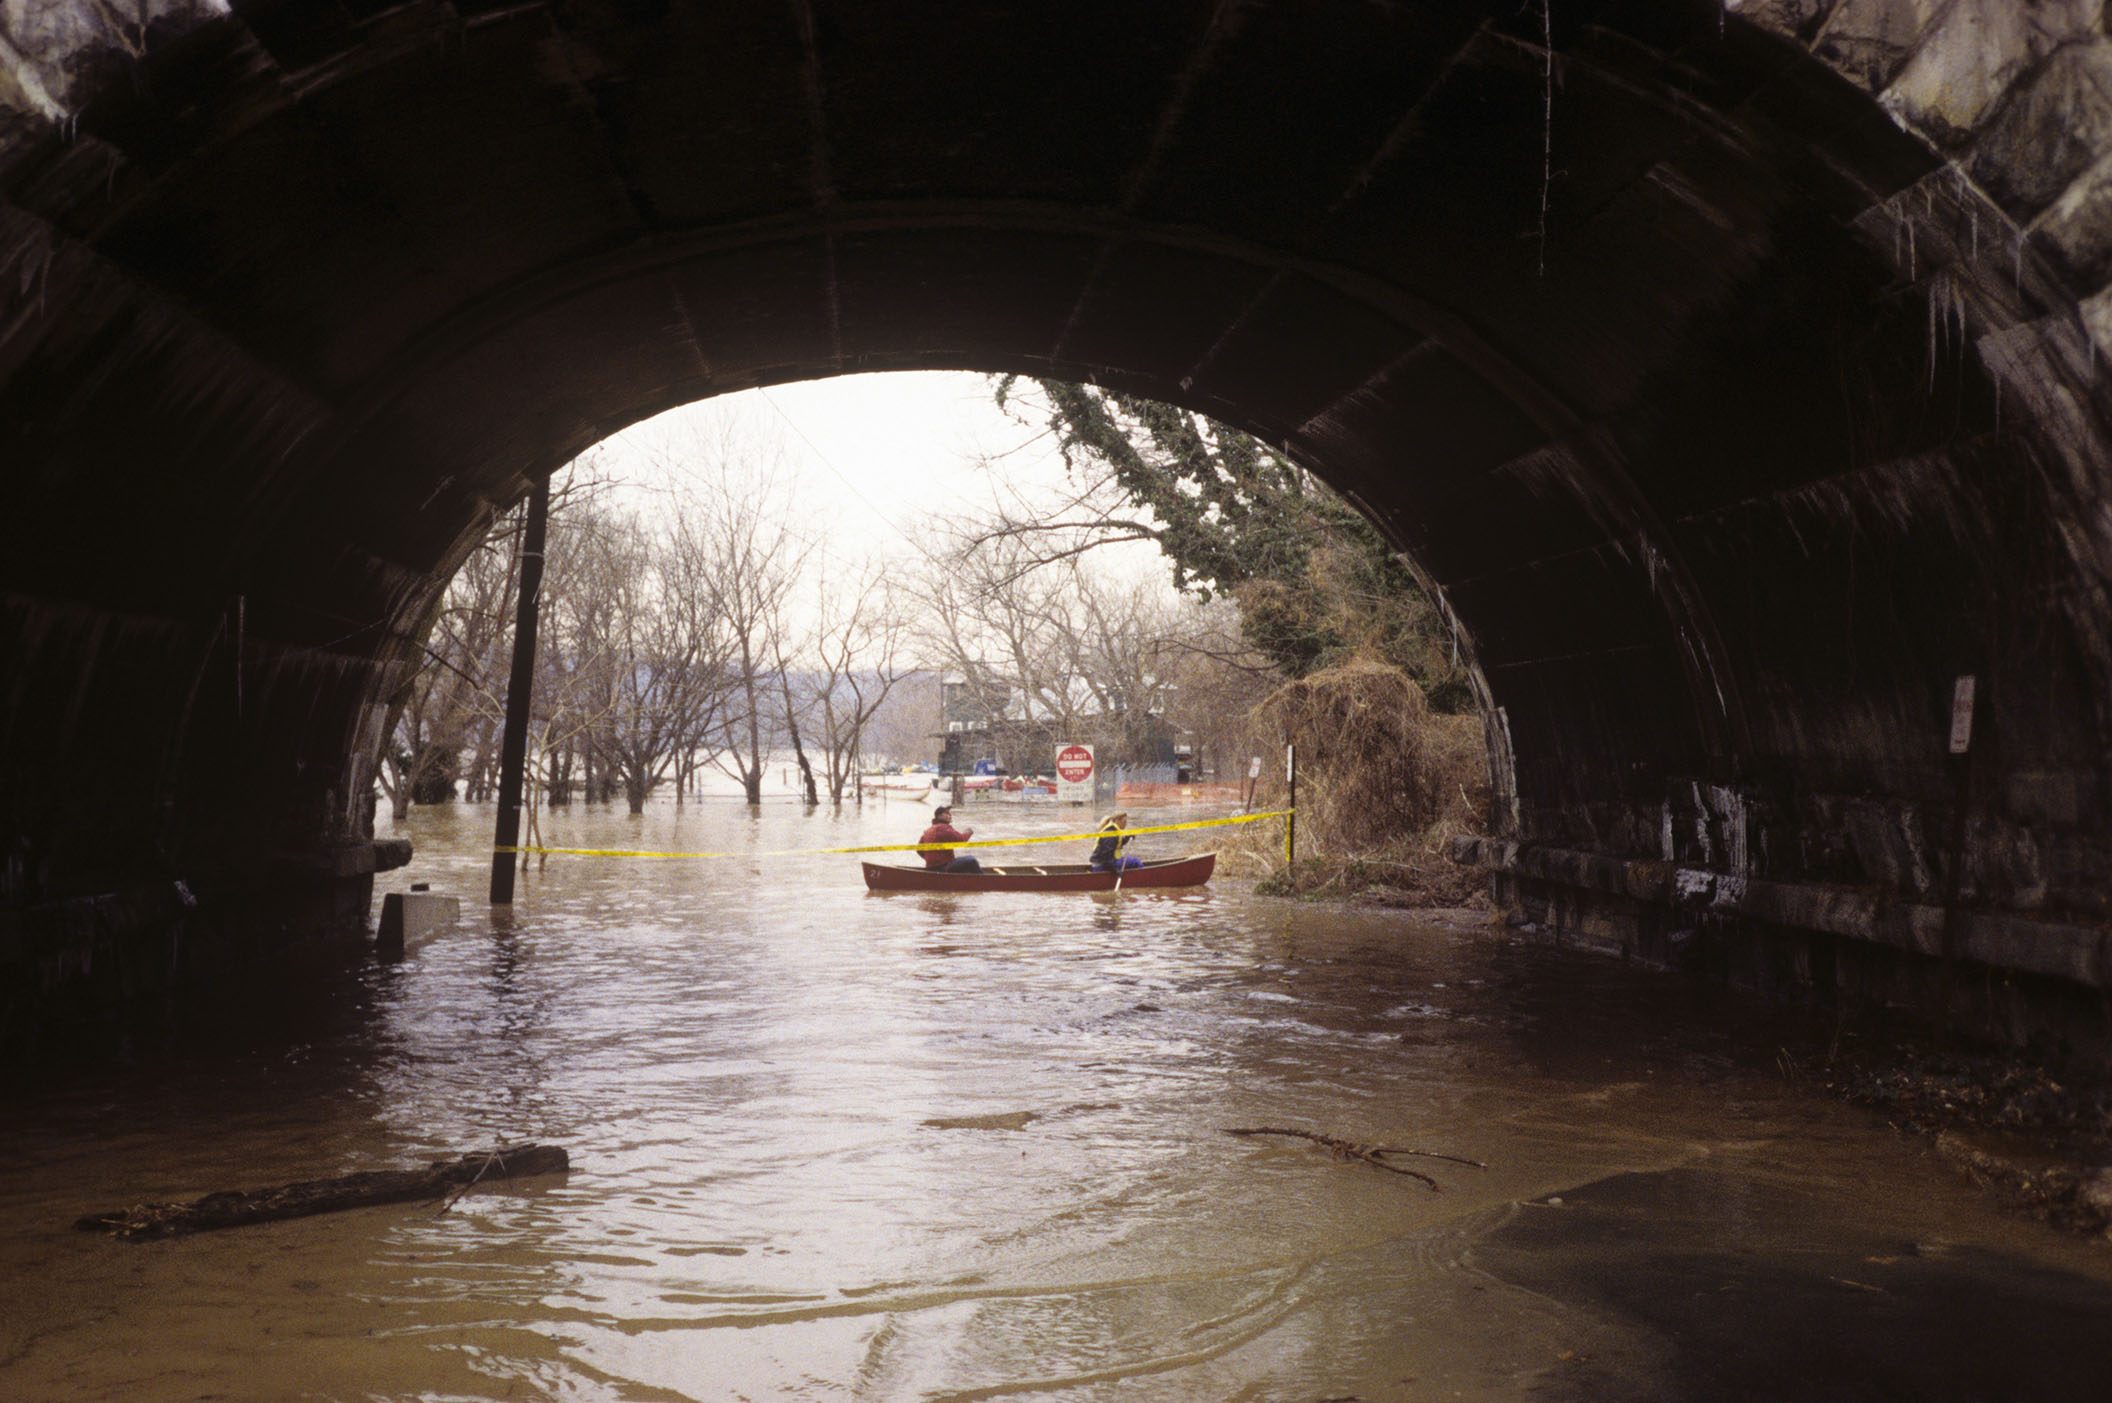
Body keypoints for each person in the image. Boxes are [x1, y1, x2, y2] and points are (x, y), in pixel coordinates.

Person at [919, 805, 981, 872]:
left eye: (950, 814)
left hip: (931, 867)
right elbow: (961, 840)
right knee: (971, 860)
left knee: (965, 865)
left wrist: (931, 859)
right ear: (939, 816)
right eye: (947, 813)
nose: (950, 816)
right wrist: (968, 832)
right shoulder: (943, 828)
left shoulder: (928, 830)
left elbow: (919, 850)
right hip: (943, 867)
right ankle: (982, 880)